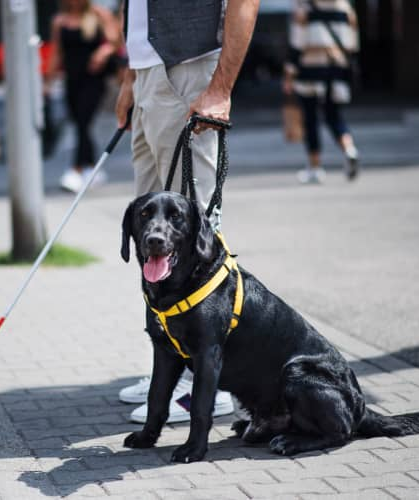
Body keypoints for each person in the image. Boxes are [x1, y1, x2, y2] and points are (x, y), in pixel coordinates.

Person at [113, 0, 260, 424]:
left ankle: (205, 386)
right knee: (152, 240)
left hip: (190, 70)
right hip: (149, 75)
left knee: (192, 240)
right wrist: (132, 76)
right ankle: (169, 369)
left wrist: (220, 87)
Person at [47, 0, 121, 193]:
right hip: (72, 79)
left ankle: (76, 169)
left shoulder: (98, 14)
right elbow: (57, 52)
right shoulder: (59, 20)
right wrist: (47, 81)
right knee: (80, 123)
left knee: (83, 120)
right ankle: (91, 169)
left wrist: (102, 53)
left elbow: (116, 41)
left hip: (94, 79)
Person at [283, 0, 360, 184]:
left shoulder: (303, 6)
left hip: (310, 69)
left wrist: (289, 73)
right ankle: (350, 150)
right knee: (334, 115)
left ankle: (315, 167)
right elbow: (353, 44)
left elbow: (297, 43)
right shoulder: (345, 7)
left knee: (310, 119)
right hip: (336, 70)